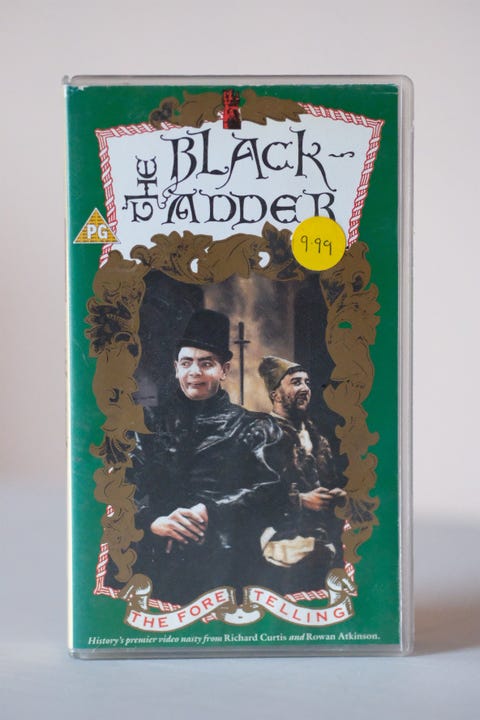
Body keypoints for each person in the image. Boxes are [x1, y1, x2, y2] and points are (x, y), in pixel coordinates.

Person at [124, 310, 287, 606]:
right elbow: (121, 491)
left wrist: (211, 511)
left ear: (224, 370)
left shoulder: (254, 428)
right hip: (160, 570)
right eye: (186, 363)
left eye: (206, 363)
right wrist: (153, 522)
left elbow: (275, 493)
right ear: (176, 368)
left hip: (231, 572)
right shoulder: (147, 425)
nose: (194, 372)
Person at [257, 355, 347, 594]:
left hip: (323, 545)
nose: (305, 388)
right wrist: (302, 501)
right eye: (296, 382)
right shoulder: (260, 436)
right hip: (279, 549)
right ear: (275, 394)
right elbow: (252, 495)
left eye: (307, 382)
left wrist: (336, 495)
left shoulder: (318, 438)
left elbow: (328, 481)